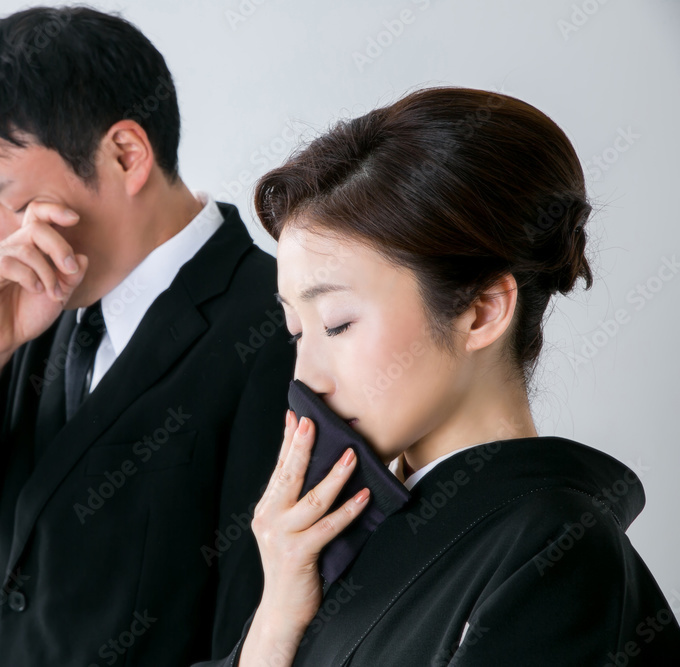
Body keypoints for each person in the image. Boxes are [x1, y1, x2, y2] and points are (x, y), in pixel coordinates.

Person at [196, 86, 680, 666]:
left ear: (481, 311)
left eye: (338, 323)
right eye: (297, 332)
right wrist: (276, 614)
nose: (307, 379)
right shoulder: (331, 545)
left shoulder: (557, 551)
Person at [0, 6, 295, 665]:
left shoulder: (278, 326)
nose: (4, 238)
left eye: (18, 203)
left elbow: (253, 631)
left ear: (125, 155)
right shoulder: (36, 299)